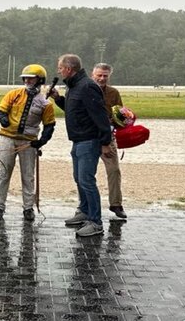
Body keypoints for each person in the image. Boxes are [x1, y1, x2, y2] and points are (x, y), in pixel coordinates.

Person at [49, 54, 112, 237]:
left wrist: (105, 142)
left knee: (87, 180)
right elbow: (74, 110)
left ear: (68, 69)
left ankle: (96, 222)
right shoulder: (74, 86)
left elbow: (100, 116)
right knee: (79, 178)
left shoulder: (87, 86)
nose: (59, 71)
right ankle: (84, 211)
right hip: (78, 141)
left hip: (89, 141)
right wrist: (58, 99)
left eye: (60, 68)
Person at [0, 64, 56, 222]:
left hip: (28, 142)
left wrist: (42, 141)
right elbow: (1, 110)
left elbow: (49, 125)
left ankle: (28, 207)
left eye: (31, 77)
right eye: (25, 78)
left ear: (39, 79)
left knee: (28, 176)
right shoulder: (13, 94)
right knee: (3, 173)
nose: (27, 80)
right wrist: (4, 120)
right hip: (8, 138)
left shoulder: (46, 103)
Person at [91, 63, 127, 219]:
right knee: (85, 174)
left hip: (107, 136)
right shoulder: (86, 90)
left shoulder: (113, 93)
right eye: (99, 75)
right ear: (93, 75)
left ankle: (116, 204)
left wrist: (122, 120)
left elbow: (120, 114)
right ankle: (84, 207)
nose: (102, 78)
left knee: (114, 170)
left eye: (105, 75)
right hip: (89, 136)